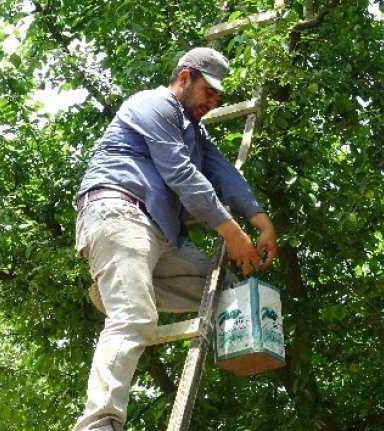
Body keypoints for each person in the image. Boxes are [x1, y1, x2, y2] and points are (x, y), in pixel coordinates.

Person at [71, 47, 277, 431]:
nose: (213, 101)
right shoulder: (152, 105)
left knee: (225, 292)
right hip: (120, 213)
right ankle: (100, 423)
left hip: (160, 234)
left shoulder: (196, 133)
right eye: (208, 91)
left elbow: (223, 174)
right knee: (133, 317)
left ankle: (113, 289)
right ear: (184, 77)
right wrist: (232, 233)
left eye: (219, 96)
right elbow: (182, 175)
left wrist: (262, 223)